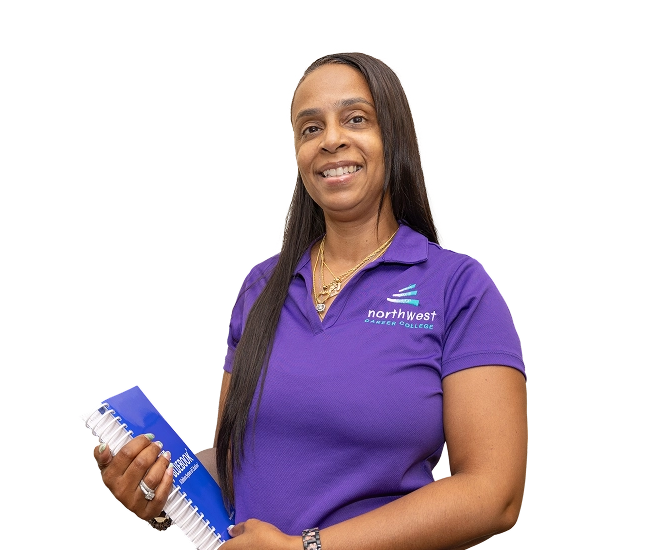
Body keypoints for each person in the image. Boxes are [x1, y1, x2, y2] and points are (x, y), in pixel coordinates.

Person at [91, 49, 527, 550]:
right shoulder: (263, 287)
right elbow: (242, 465)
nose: (332, 140)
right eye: (310, 128)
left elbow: (493, 495)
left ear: (395, 138)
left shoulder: (458, 288)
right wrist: (154, 483)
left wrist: (308, 548)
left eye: (356, 119)